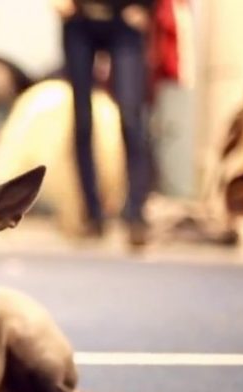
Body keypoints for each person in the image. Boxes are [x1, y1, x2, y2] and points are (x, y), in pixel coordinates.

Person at [52, 0, 154, 246]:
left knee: (131, 118)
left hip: (125, 18)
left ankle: (136, 215)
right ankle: (92, 214)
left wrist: (147, 6)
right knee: (83, 120)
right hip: (79, 19)